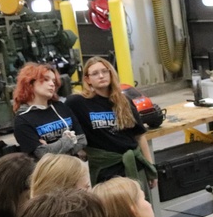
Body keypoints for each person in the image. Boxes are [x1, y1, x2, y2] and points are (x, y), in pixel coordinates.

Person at [66, 57, 156, 191]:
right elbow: (65, 123)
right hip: (106, 170)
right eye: (95, 73)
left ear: (111, 74)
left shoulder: (124, 100)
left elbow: (139, 135)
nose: (101, 76)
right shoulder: (78, 102)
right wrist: (80, 148)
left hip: (132, 165)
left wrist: (151, 167)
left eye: (104, 71)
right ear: (87, 79)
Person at [12, 62, 86, 158]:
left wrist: (51, 148)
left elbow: (82, 140)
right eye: (46, 79)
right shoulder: (23, 119)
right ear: (30, 83)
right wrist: (69, 139)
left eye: (54, 81)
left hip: (73, 169)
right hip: (49, 172)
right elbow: (41, 154)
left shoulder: (61, 107)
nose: (52, 84)